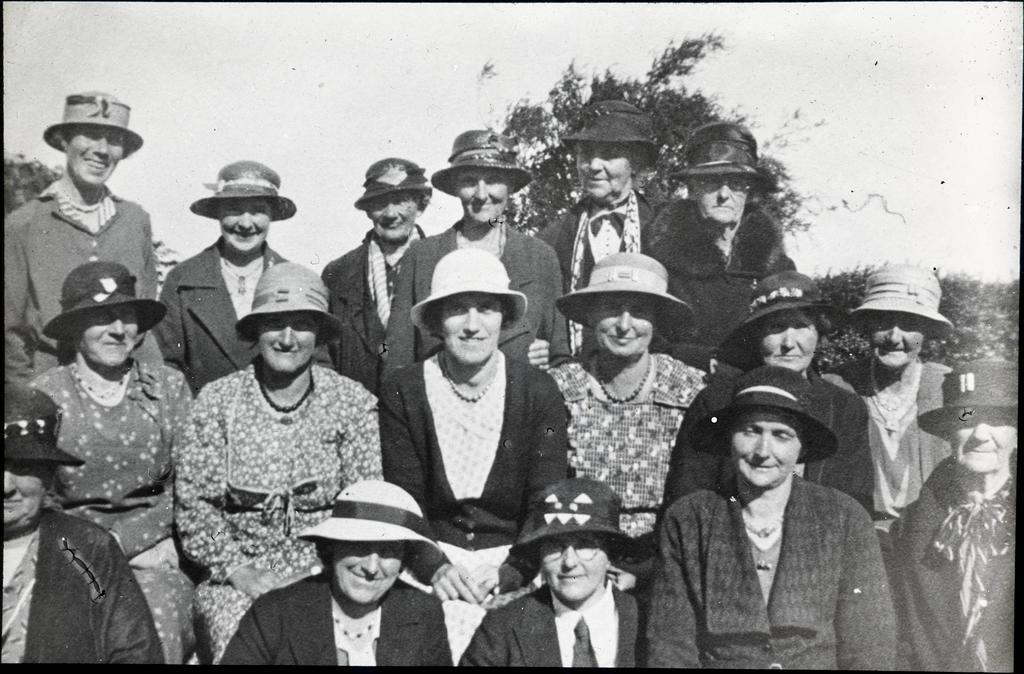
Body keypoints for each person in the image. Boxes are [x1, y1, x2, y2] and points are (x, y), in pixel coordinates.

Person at [174, 263, 383, 663]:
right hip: (237, 578)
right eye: (274, 324)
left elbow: (364, 505)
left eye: (302, 325)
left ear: (319, 334)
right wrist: (238, 570)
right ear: (256, 331)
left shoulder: (351, 403)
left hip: (327, 573)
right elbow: (196, 507)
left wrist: (319, 574)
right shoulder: (219, 402)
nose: (287, 339)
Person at [379, 247, 568, 660]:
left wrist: (514, 570)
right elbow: (403, 498)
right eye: (457, 311)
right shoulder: (404, 389)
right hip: (431, 556)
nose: (472, 326)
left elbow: (546, 499)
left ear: (504, 319)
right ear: (435, 322)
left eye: (485, 309)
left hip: (517, 557)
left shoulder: (538, 391)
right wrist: (435, 567)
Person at [644, 366, 895, 669]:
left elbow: (870, 643)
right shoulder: (690, 519)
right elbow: (670, 644)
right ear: (729, 438)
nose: (763, 450)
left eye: (781, 435)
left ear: (801, 446)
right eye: (750, 431)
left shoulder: (843, 518)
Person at [30, 261, 194, 662]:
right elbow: (39, 496)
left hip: (152, 554)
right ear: (74, 326)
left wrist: (131, 542)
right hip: (71, 557)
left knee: (156, 622)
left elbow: (188, 484)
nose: (118, 330)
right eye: (102, 318)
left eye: (127, 317)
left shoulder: (167, 388)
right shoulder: (45, 397)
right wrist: (96, 551)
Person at [549, 252, 704, 592]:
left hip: (667, 562)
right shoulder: (558, 388)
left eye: (639, 311)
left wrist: (650, 570)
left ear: (657, 320)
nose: (624, 324)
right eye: (611, 308)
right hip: (575, 560)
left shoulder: (690, 389)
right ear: (590, 316)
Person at [664, 271, 874, 514]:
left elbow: (856, 502)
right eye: (776, 327)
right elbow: (687, 498)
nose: (788, 342)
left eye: (801, 326)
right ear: (756, 335)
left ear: (819, 333)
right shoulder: (715, 403)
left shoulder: (845, 408)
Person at [384, 130, 569, 374]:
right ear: (455, 187)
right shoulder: (422, 256)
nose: (482, 195)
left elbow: (560, 354)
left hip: (520, 404)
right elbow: (397, 356)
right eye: (470, 181)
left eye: (492, 180)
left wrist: (546, 361)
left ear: (511, 185)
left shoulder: (539, 256)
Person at [6, 91, 160, 384]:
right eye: (89, 135)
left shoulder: (135, 220)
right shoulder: (22, 224)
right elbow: (10, 329)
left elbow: (143, 310)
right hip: (52, 382)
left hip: (129, 384)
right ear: (65, 141)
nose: (101, 150)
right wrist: (26, 398)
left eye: (113, 140)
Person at [4, 383, 162, 663]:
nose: (5, 486)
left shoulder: (86, 550)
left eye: (24, 467)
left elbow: (134, 652)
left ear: (49, 477)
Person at [221, 480, 452, 666]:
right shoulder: (274, 613)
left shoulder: (423, 612)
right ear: (333, 546)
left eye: (388, 551)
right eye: (360, 546)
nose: (371, 568)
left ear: (403, 559)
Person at [824, 264, 953, 570]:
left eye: (909, 324)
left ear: (927, 332)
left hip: (932, 549)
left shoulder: (946, 387)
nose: (895, 337)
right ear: (868, 326)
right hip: (856, 547)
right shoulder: (837, 387)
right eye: (883, 322)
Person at [893, 360, 1016, 672]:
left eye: (998, 420)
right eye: (967, 417)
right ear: (949, 432)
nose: (980, 434)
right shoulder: (908, 530)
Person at [646, 121, 795, 371]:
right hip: (678, 381)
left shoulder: (775, 263)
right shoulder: (659, 253)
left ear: (750, 192)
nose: (724, 194)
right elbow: (644, 333)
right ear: (692, 189)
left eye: (737, 183)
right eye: (711, 182)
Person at [460, 478, 639, 667]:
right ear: (539, 555)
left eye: (585, 545)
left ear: (609, 553)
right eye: (555, 546)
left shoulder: (643, 621)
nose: (569, 562)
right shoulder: (503, 627)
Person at [155, 160, 294, 395]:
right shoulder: (183, 281)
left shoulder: (291, 279)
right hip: (203, 420)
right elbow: (167, 365)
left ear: (271, 215)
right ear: (218, 214)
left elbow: (317, 362)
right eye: (234, 210)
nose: (245, 223)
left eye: (258, 210)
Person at [538, 100, 662, 357]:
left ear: (635, 162)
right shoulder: (553, 237)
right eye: (585, 154)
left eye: (607, 154)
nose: (593, 166)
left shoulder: (664, 228)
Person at [321, 158, 432, 395]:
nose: (390, 214)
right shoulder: (338, 273)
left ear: (421, 206)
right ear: (368, 211)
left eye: (401, 201)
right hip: (358, 410)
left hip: (425, 408)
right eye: (380, 203)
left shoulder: (443, 264)